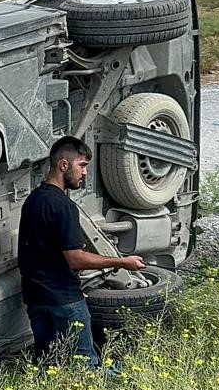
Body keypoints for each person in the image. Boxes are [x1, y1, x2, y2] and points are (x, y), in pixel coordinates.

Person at [18, 136, 145, 367]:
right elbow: (75, 259)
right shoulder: (64, 206)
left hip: (36, 298)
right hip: (64, 300)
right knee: (85, 365)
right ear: (63, 165)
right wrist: (123, 262)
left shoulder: (33, 200)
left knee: (48, 364)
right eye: (82, 165)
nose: (85, 173)